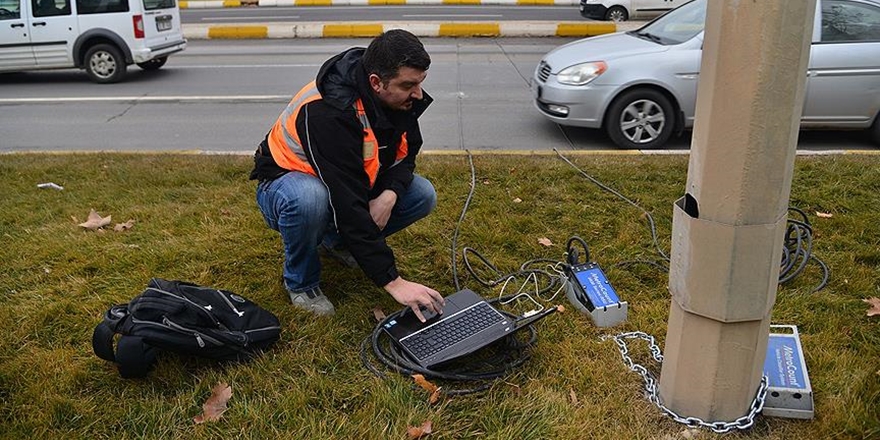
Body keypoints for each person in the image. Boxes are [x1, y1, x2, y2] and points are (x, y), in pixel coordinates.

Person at [250, 29, 445, 321]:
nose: (418, 93)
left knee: (422, 194)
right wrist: (393, 281)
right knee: (310, 199)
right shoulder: (328, 111)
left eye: (420, 82)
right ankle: (302, 282)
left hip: (341, 181)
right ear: (376, 83)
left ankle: (336, 243)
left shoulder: (398, 98)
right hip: (284, 185)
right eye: (408, 85)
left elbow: (406, 156)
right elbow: (346, 201)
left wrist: (389, 194)